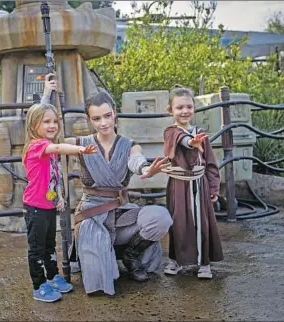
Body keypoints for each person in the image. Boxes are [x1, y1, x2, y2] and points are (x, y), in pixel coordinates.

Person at [43, 75, 173, 296]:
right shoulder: (80, 144)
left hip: (122, 214)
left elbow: (136, 160)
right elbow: (43, 132)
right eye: (96, 118)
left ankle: (132, 257)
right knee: (98, 275)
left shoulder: (129, 144)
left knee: (161, 217)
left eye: (107, 116)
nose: (103, 123)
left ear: (114, 113)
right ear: (89, 120)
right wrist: (47, 95)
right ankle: (99, 258)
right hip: (92, 215)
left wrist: (145, 170)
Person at [22, 102, 97, 302]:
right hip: (35, 208)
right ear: (33, 124)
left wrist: (59, 197)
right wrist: (79, 149)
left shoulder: (48, 148)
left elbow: (53, 177)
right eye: (46, 121)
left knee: (49, 245)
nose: (52, 125)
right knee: (37, 248)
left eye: (55, 121)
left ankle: (52, 275)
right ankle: (39, 286)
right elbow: (57, 146)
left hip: (48, 206)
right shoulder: (38, 145)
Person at [162, 86, 223, 279]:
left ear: (194, 108)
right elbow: (180, 140)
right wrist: (191, 143)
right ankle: (176, 260)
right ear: (170, 110)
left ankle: (204, 263)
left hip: (200, 184)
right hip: (179, 185)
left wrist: (214, 187)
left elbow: (211, 162)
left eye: (189, 106)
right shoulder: (170, 132)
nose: (185, 111)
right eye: (179, 107)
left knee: (203, 223)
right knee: (178, 222)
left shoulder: (201, 133)